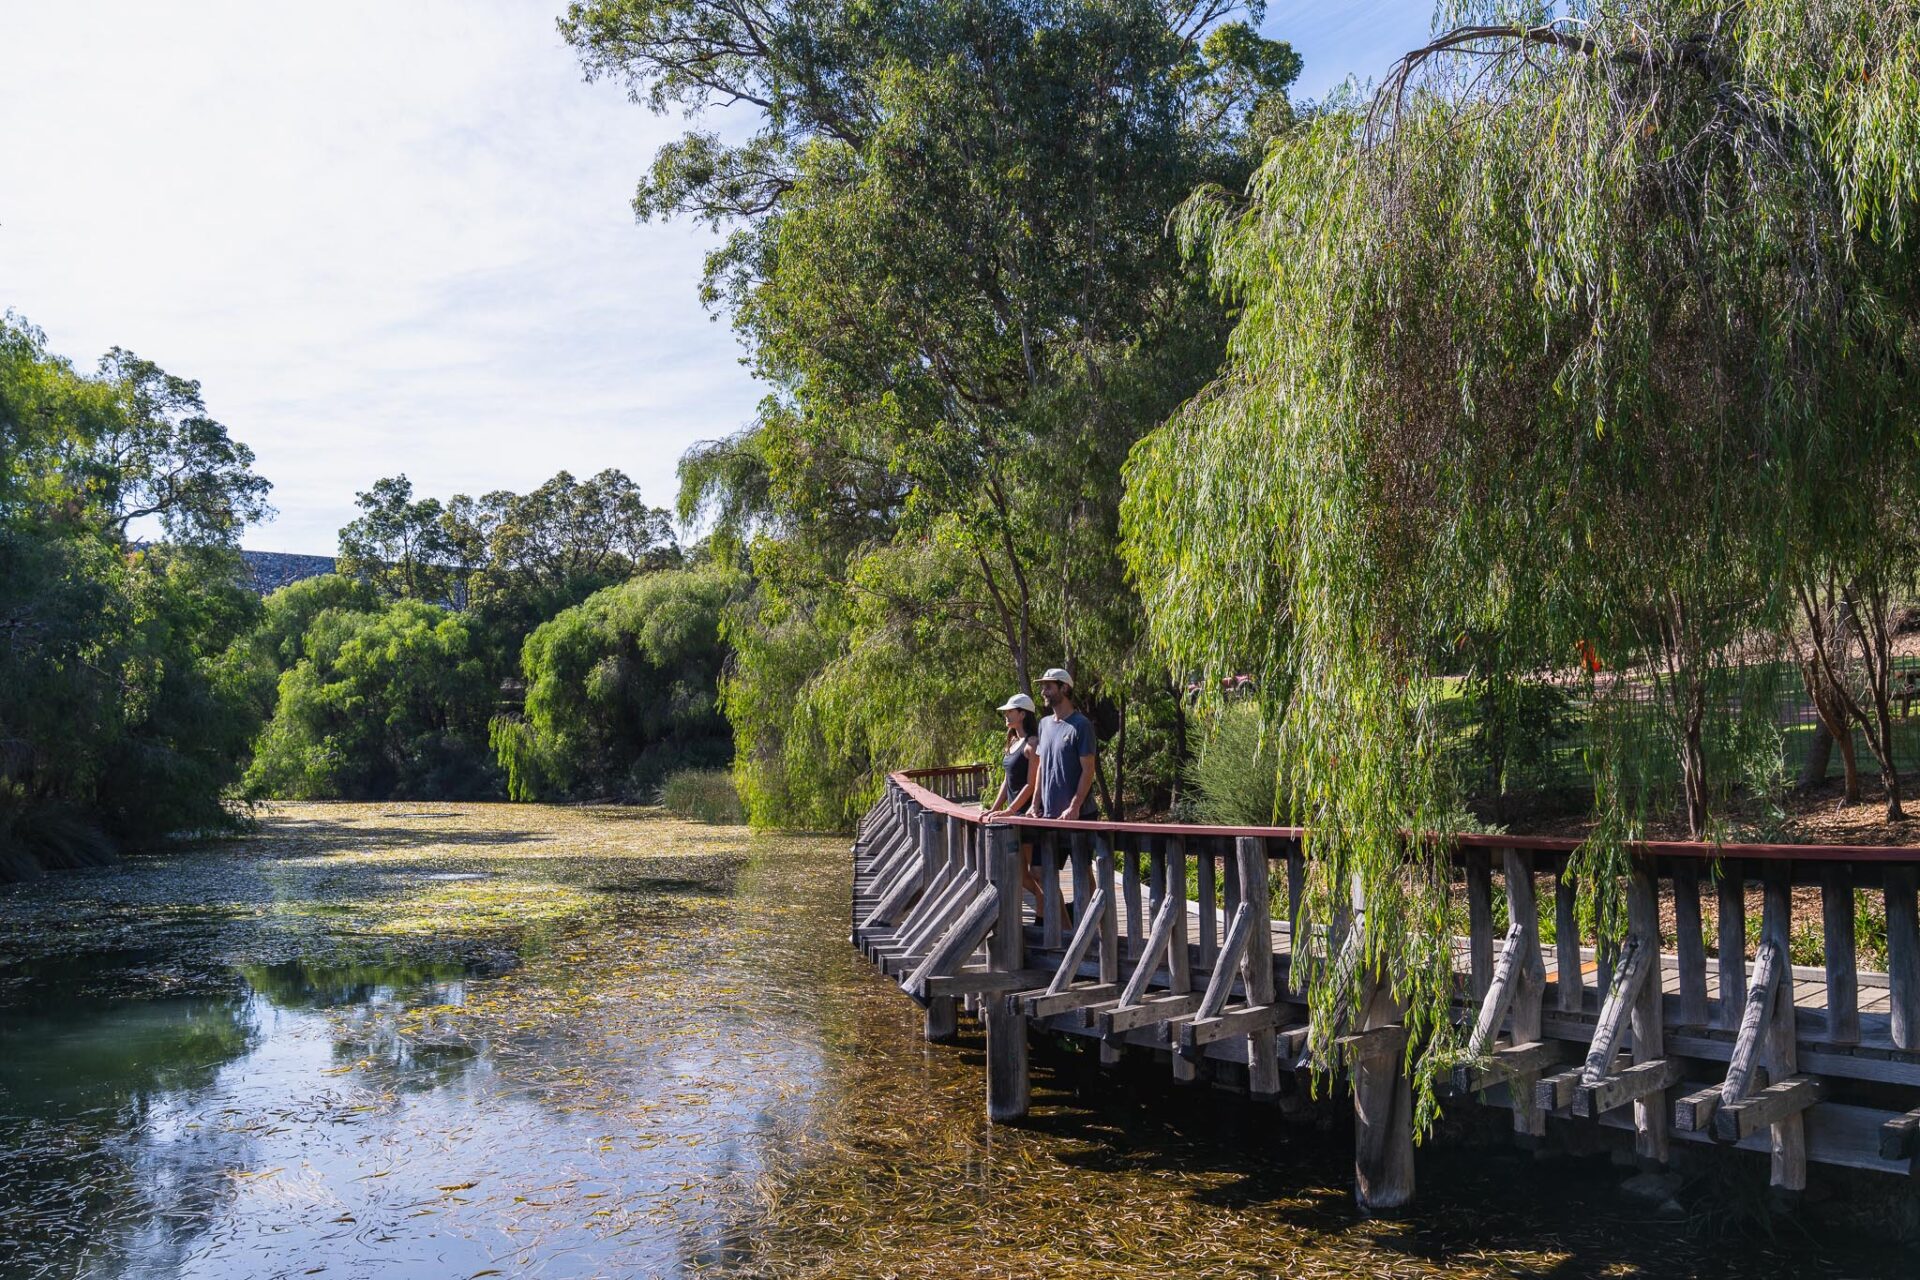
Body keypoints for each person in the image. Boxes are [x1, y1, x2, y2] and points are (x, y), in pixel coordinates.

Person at [980, 693, 1048, 917]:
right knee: (1019, 873)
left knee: (1035, 872)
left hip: (1027, 814)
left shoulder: (1032, 743)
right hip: (1013, 814)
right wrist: (995, 808)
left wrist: (1011, 810)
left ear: (1023, 714)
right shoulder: (1011, 743)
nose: (1006, 715)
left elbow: (1031, 784)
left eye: (1010, 711)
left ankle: (1044, 916)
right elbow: (1006, 780)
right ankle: (1045, 905)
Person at [1029, 667, 1097, 822]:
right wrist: (1035, 804)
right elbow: (1041, 767)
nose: (1043, 692)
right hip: (1048, 815)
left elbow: (1088, 770)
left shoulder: (1082, 725)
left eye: (1048, 687)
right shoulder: (1043, 724)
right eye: (1043, 687)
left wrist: (1074, 807)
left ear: (1064, 688)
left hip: (1078, 816)